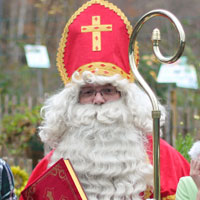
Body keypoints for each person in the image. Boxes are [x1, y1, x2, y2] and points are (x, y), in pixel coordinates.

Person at [20, 0, 190, 199]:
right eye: (88, 92)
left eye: (108, 90)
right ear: (71, 102)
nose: (98, 100)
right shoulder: (53, 166)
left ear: (127, 98)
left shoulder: (162, 158)